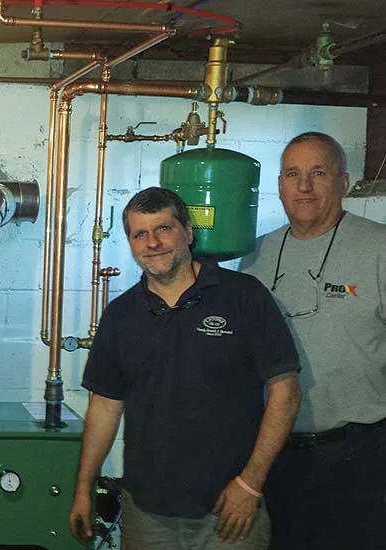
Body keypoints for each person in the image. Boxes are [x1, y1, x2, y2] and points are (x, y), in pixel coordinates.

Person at [69, 187, 301, 549]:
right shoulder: (120, 316)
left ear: (188, 232)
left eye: (163, 228)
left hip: (230, 510)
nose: (152, 242)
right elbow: (104, 407)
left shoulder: (243, 296)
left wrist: (250, 483)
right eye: (139, 234)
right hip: (147, 515)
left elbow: (285, 392)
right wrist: (83, 488)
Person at [240, 132, 386, 549]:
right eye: (292, 174)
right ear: (280, 185)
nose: (304, 187)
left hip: (359, 456)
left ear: (343, 183)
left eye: (317, 173)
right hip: (273, 455)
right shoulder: (255, 254)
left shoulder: (379, 248)